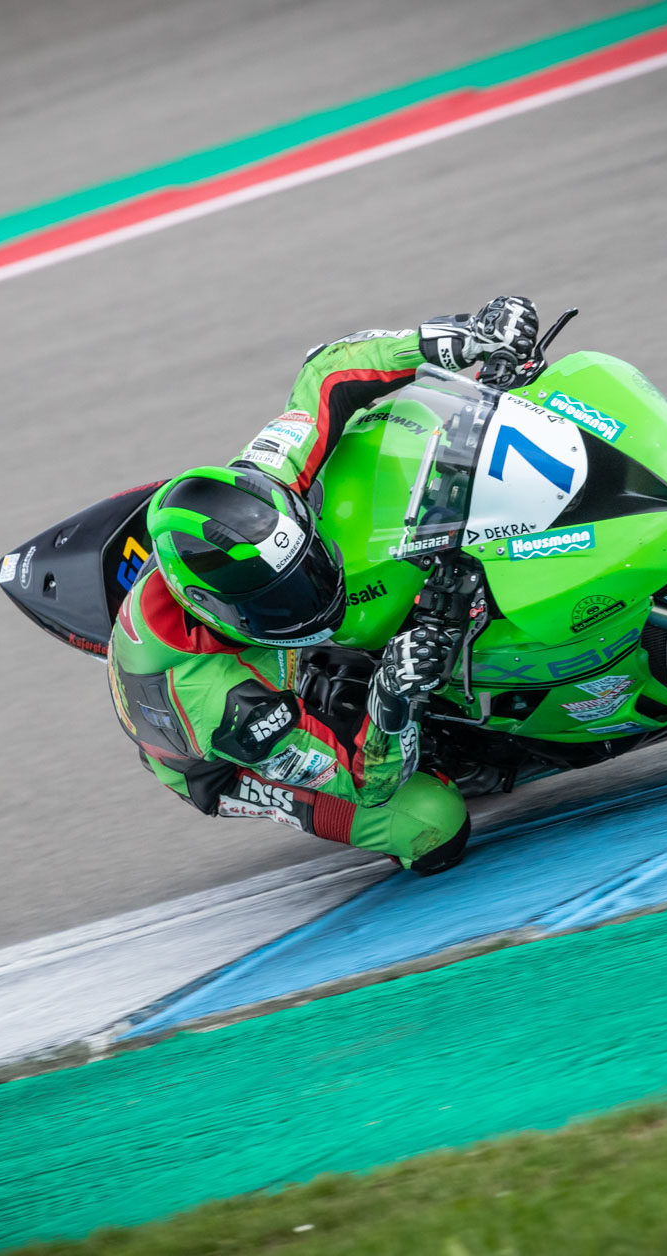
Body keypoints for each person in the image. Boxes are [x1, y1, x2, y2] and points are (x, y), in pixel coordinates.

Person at [106, 297, 539, 874]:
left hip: (255, 654)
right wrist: (392, 696)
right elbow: (367, 782)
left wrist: (459, 338)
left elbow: (329, 372)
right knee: (432, 825)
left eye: (306, 566)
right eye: (280, 602)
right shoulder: (223, 705)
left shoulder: (263, 487)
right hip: (234, 758)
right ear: (214, 609)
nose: (312, 600)